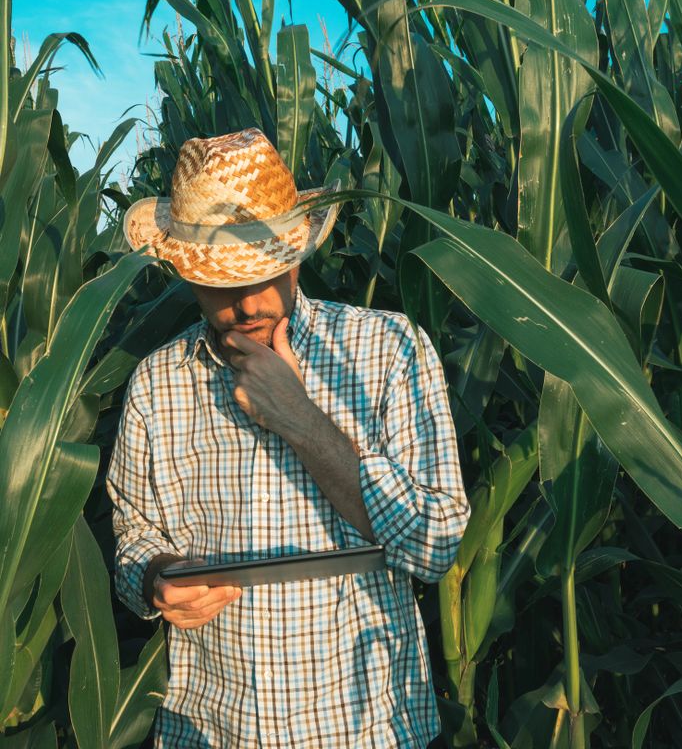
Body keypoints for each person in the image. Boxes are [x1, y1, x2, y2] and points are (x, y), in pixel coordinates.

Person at [107, 127, 471, 748]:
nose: (247, 304)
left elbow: (435, 545)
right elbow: (133, 533)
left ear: (296, 253)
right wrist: (155, 576)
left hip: (366, 731)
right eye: (220, 281)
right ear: (184, 275)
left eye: (265, 272)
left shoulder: (386, 351)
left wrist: (300, 419)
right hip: (211, 730)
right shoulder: (155, 383)